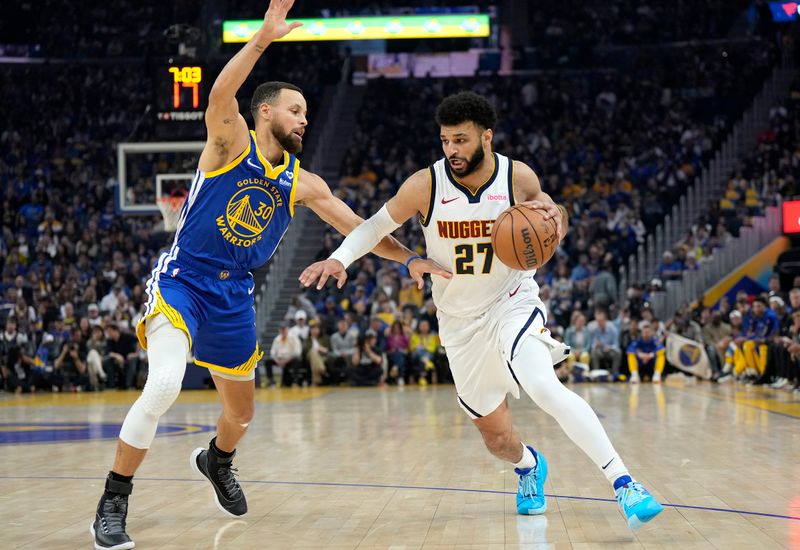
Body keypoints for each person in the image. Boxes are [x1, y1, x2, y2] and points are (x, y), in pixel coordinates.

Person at [90, 2, 448, 548]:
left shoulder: (305, 183)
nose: (305, 118)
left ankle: (217, 460)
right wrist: (262, 38)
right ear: (264, 114)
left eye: (307, 112)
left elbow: (360, 227)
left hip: (235, 294)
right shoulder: (229, 142)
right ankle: (113, 502)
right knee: (163, 383)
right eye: (295, 110)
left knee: (242, 414)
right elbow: (218, 96)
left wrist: (409, 259)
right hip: (184, 280)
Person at [300, 91, 662, 530]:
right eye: (445, 141)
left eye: (460, 140)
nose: (451, 150)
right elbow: (375, 226)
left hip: (512, 302)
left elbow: (551, 213)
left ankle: (625, 484)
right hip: (458, 322)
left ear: (486, 137)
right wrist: (340, 257)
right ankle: (529, 466)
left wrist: (557, 220)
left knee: (543, 386)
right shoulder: (425, 185)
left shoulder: (517, 177)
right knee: (497, 438)